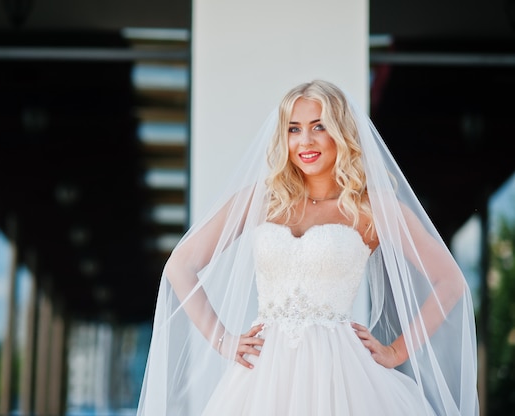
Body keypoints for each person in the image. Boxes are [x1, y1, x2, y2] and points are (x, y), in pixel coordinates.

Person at [137, 80, 479, 415]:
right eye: (294, 129)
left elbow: (450, 281)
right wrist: (223, 340)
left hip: (342, 375)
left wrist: (395, 352)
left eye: (319, 126)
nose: (305, 141)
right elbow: (179, 265)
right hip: (261, 378)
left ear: (342, 133)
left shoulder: (372, 208)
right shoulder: (262, 201)